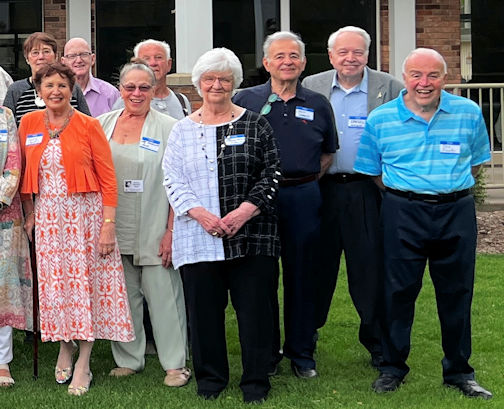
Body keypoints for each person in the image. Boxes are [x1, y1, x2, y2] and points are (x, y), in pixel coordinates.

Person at [353, 48, 493, 399]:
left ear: (445, 78)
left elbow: (475, 163)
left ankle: (459, 372)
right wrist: (410, 193)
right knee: (397, 292)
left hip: (455, 211)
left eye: (433, 75)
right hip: (402, 212)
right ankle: (392, 368)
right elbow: (373, 172)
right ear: (405, 78)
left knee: (457, 292)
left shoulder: (468, 112)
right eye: (416, 75)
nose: (424, 83)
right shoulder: (381, 119)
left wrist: (444, 188)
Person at [163, 47, 280, 403]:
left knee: (255, 312)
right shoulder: (182, 129)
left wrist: (244, 212)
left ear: (235, 83)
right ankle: (210, 380)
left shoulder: (256, 124)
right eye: (210, 79)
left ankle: (256, 382)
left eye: (225, 79)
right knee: (204, 314)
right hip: (198, 234)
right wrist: (200, 214)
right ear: (199, 83)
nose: (217, 85)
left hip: (252, 234)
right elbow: (172, 178)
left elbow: (272, 173)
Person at [19, 63, 134, 396]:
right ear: (39, 90)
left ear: (72, 90)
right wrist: (30, 213)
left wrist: (108, 226)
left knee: (85, 288)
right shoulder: (28, 123)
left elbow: (108, 179)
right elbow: (24, 172)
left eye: (62, 85)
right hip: (48, 221)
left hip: (86, 218)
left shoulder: (88, 124)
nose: (56, 91)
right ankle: (65, 346)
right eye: (49, 85)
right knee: (57, 288)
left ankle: (84, 360)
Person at [233, 31, 337, 378]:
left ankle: (301, 352)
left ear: (304, 63)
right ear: (266, 63)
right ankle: (266, 354)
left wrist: (300, 179)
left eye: (294, 56)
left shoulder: (318, 103)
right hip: (257, 201)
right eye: (279, 56)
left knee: (303, 275)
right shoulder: (245, 99)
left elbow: (327, 154)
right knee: (259, 278)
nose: (287, 62)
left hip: (303, 197)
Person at [302, 26, 403, 367]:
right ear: (331, 56)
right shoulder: (312, 85)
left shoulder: (389, 87)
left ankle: (377, 342)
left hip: (367, 190)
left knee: (370, 268)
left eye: (357, 52)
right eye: (343, 52)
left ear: (367, 55)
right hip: (321, 189)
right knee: (316, 267)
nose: (350, 58)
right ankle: (305, 338)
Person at [98, 59, 189, 387]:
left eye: (143, 87)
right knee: (122, 294)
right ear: (119, 89)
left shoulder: (170, 127)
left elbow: (179, 182)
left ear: (154, 90)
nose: (136, 93)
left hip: (155, 219)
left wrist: (171, 231)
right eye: (130, 87)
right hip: (113, 222)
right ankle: (128, 359)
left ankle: (175, 363)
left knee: (164, 295)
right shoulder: (101, 124)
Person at [0, 106, 32, 387]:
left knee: (3, 287)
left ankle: (2, 361)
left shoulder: (5, 116)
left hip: (4, 214)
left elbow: (13, 164)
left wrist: (1, 198)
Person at [4, 32, 90, 127]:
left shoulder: (71, 86)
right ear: (27, 58)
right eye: (35, 52)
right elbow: (5, 126)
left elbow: (86, 123)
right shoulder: (15, 90)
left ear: (56, 56)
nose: (41, 57)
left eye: (46, 51)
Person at [113, 39, 191, 119]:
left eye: (158, 57)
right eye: (146, 58)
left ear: (169, 64)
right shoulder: (127, 102)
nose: (153, 63)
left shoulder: (182, 101)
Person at [62, 37, 120, 117]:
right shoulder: (57, 93)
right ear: (63, 62)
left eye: (84, 54)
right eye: (72, 56)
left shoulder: (111, 93)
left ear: (92, 59)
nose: (79, 60)